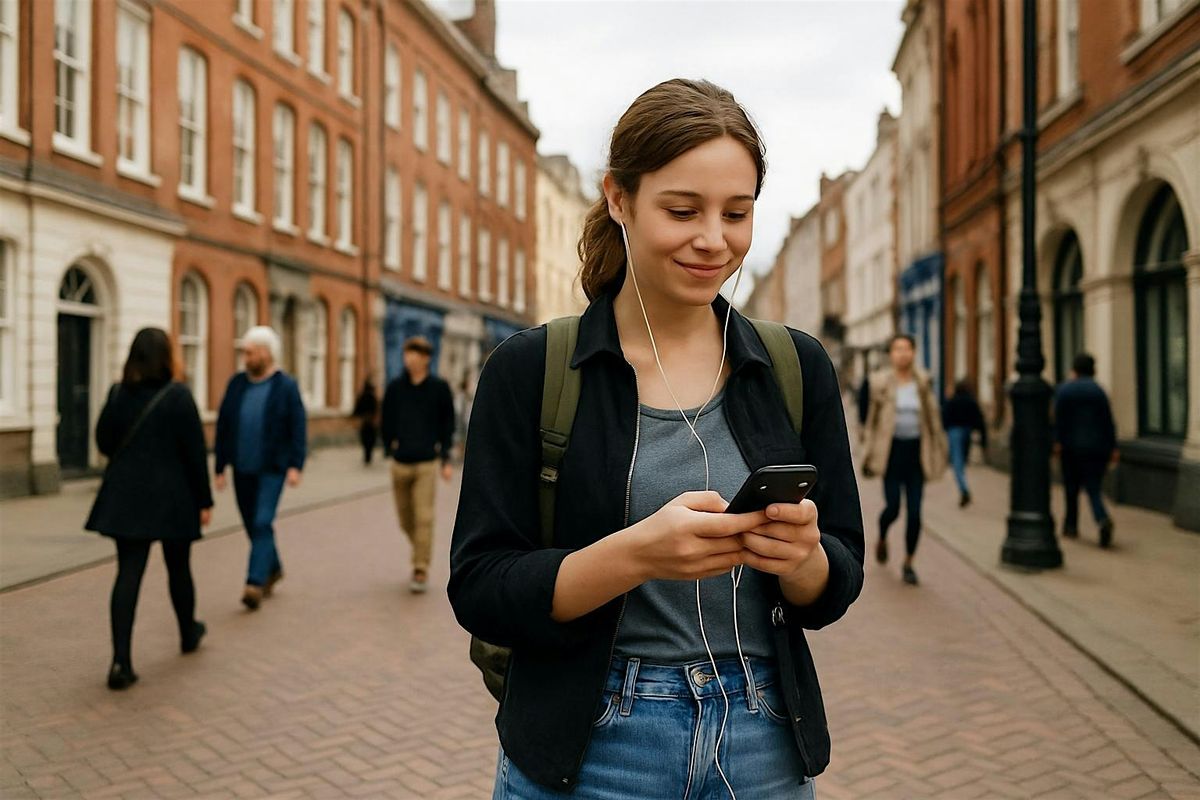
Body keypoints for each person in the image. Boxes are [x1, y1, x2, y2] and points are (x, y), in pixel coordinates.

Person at [449, 79, 863, 799]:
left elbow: (837, 578)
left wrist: (803, 561)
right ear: (619, 199)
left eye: (737, 213)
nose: (715, 239)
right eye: (682, 210)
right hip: (594, 741)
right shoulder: (532, 369)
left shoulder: (795, 367)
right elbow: (481, 587)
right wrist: (633, 555)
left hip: (763, 736)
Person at [85, 328, 212, 690]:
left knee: (128, 574)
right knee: (179, 568)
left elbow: (104, 442)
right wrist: (205, 501)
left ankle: (120, 661)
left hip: (127, 497)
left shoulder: (118, 393)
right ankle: (188, 632)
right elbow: (194, 455)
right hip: (173, 498)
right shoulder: (179, 396)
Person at [214, 326, 306, 611]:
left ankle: (254, 583)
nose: (246, 357)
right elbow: (224, 425)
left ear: (266, 353)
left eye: (250, 352)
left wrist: (296, 465)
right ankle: (274, 567)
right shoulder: (237, 384)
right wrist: (219, 466)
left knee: (262, 521)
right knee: (252, 524)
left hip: (273, 468)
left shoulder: (285, 386)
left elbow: (297, 426)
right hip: (242, 469)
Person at [860, 334, 948, 586]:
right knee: (893, 507)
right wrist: (867, 448)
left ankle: (909, 562)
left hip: (916, 455)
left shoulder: (923, 382)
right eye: (897, 349)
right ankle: (883, 534)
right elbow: (870, 419)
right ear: (891, 354)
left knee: (916, 513)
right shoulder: (879, 382)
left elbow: (933, 418)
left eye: (907, 349)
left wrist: (940, 447)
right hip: (892, 455)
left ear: (914, 352)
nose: (902, 354)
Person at [381, 336, 456, 594]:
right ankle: (420, 549)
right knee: (405, 520)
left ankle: (420, 567)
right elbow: (386, 419)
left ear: (426, 358)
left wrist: (445, 458)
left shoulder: (439, 388)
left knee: (423, 517)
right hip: (400, 462)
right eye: (407, 354)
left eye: (415, 354)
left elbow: (448, 424)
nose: (410, 359)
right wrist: (387, 445)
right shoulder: (395, 387)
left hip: (426, 462)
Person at [1054, 352, 1117, 547]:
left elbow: (1058, 420)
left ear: (1074, 370)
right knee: (1093, 488)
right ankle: (1101, 518)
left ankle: (1070, 526)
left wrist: (1056, 443)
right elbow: (1108, 422)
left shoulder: (1065, 390)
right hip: (1097, 448)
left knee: (1071, 488)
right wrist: (1113, 447)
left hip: (1071, 448)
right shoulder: (1099, 391)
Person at [942, 380, 988, 507]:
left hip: (955, 432)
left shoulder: (952, 401)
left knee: (957, 464)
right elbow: (980, 420)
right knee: (961, 461)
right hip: (967, 431)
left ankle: (964, 489)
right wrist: (984, 442)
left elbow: (944, 417)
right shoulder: (972, 402)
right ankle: (964, 488)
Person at [352, 377, 379, 465]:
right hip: (370, 422)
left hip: (364, 422)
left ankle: (367, 456)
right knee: (370, 440)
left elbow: (357, 410)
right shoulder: (372, 397)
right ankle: (368, 456)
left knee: (365, 440)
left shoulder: (362, 396)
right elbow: (376, 409)